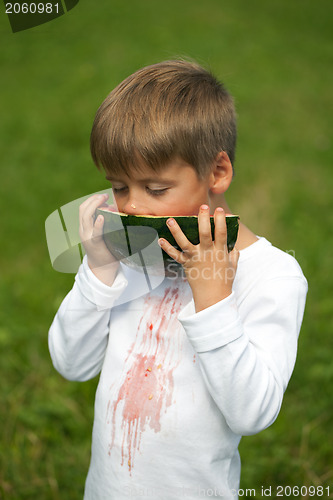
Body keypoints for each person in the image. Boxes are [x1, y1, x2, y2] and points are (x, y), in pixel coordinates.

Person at [48, 60, 308, 499]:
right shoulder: (129, 257)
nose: (132, 207)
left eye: (155, 189)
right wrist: (98, 270)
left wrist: (212, 298)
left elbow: (253, 413)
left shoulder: (273, 276)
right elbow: (71, 365)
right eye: (119, 186)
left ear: (217, 173)